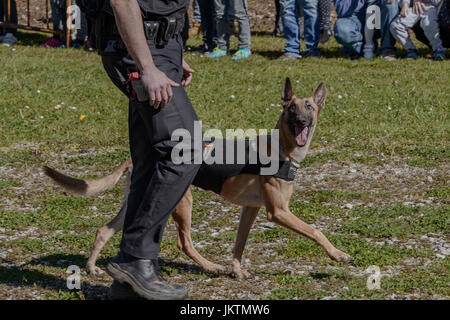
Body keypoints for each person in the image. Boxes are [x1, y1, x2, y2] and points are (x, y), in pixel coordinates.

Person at [102, 0, 202, 300]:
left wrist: (172, 52)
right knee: (185, 148)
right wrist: (147, 64)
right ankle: (135, 258)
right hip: (139, 51)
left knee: (150, 159)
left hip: (160, 47)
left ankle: (127, 289)